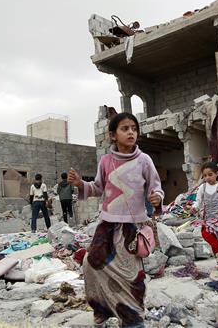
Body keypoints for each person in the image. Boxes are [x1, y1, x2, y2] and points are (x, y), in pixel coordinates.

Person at [67, 112, 163, 328]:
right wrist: (81, 184)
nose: (131, 132)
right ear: (112, 135)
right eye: (125, 128)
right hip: (107, 224)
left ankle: (132, 317)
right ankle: (102, 308)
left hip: (132, 226)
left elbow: (155, 187)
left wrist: (157, 198)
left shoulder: (144, 160)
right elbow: (98, 188)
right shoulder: (106, 161)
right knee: (91, 263)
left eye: (134, 129)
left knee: (131, 274)